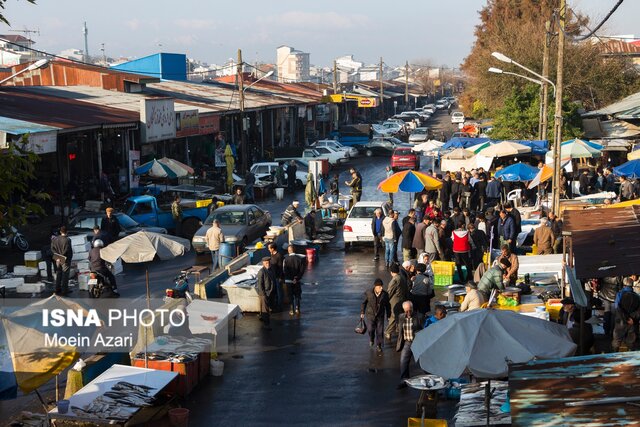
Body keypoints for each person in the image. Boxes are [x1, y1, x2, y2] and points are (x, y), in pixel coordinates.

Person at [396, 301, 422, 388]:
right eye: (406, 311)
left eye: (410, 310)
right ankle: (404, 380)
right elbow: (400, 329)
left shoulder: (419, 316)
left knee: (423, 361)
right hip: (407, 342)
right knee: (403, 361)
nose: (408, 313)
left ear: (412, 309)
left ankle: (432, 378)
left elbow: (424, 329)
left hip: (417, 342)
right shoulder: (401, 317)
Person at [361, 278, 391, 352]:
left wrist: (388, 315)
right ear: (375, 287)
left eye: (381, 286)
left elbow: (388, 305)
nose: (380, 288)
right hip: (370, 315)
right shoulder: (368, 293)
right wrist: (362, 312)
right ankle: (371, 338)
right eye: (379, 287)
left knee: (380, 331)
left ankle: (379, 345)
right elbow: (363, 303)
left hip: (380, 315)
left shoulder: (385, 294)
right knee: (370, 329)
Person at [385, 263, 409, 340]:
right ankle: (399, 329)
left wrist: (385, 301)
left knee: (393, 316)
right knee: (400, 315)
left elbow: (389, 292)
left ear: (391, 272)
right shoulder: (402, 277)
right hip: (402, 299)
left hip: (395, 300)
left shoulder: (394, 280)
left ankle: (388, 331)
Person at [51, 226, 73, 296]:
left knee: (59, 273)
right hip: (65, 259)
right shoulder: (67, 240)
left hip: (57, 258)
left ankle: (57, 289)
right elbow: (67, 250)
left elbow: (52, 248)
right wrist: (62, 256)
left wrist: (57, 256)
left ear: (60, 232)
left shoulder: (55, 239)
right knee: (65, 275)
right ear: (67, 232)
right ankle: (64, 290)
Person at [283, 245, 305, 316]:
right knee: (297, 295)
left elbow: (285, 271)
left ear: (288, 251)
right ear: (294, 250)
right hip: (297, 281)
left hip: (289, 281)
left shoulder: (285, 259)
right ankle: (297, 308)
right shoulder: (300, 259)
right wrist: (296, 278)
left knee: (290, 295)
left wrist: (291, 278)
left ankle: (292, 310)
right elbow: (302, 271)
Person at [256, 257, 277, 329]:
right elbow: (260, 284)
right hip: (264, 293)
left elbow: (273, 280)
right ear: (263, 263)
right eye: (266, 263)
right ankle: (266, 324)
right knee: (265, 309)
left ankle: (262, 318)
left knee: (264, 307)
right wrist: (263, 294)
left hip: (270, 292)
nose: (268, 264)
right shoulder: (261, 271)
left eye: (269, 262)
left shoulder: (271, 269)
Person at [268, 242, 285, 311]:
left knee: (279, 292)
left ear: (272, 249)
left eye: (269, 248)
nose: (268, 250)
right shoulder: (272, 254)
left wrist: (280, 277)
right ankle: (276, 304)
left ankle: (280, 307)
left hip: (278, 277)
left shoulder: (279, 256)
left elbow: (281, 268)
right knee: (275, 291)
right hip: (273, 276)